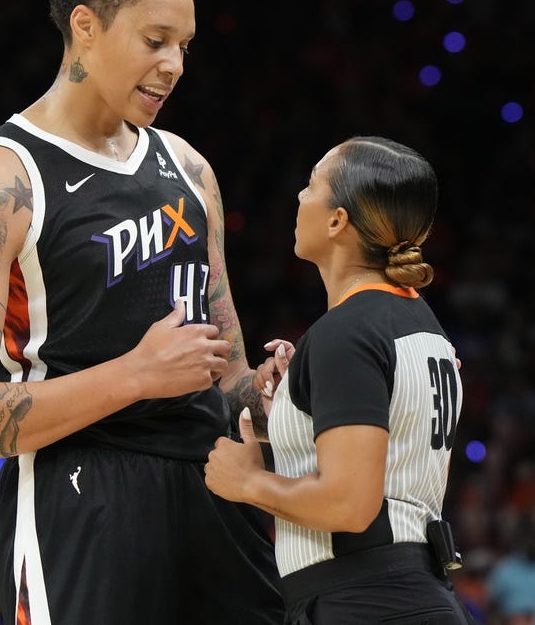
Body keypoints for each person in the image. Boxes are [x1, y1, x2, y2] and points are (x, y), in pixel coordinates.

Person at [0, 0, 281, 625]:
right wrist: (134, 376)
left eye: (185, 46)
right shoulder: (1, 182)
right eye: (154, 40)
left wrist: (263, 398)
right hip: (80, 492)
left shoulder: (190, 169)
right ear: (85, 26)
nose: (174, 64)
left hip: (211, 482)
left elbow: (223, 360)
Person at [204, 136, 476, 624]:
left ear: (337, 221)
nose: (299, 197)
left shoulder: (345, 334)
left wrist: (249, 482)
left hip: (366, 602)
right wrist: (294, 399)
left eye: (312, 184)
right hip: (406, 594)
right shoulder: (422, 326)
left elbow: (348, 504)